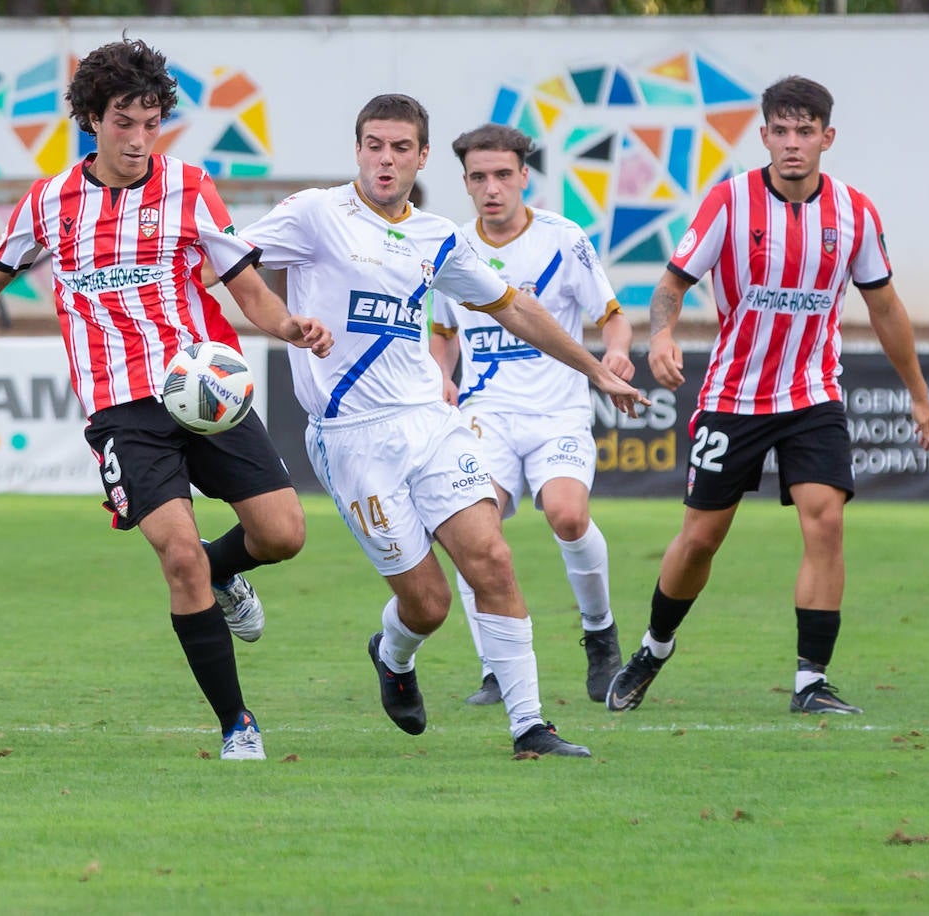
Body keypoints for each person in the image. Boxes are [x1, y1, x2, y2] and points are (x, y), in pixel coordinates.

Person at [0, 39, 332, 761]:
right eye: (124, 121)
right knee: (178, 557)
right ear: (93, 118)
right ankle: (236, 725)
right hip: (121, 410)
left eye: (152, 122)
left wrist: (288, 326)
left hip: (205, 389)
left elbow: (244, 284)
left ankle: (225, 574)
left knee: (283, 534)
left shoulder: (189, 186)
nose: (139, 138)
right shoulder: (49, 200)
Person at [241, 94, 646, 760]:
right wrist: (282, 324)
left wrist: (595, 368)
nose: (386, 158)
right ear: (359, 149)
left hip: (431, 423)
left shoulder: (438, 237)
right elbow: (231, 262)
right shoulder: (316, 213)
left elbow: (515, 307)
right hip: (352, 438)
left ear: (422, 156)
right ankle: (393, 654)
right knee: (428, 604)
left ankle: (530, 727)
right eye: (374, 144)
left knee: (493, 558)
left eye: (401, 147)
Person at [606, 76, 929, 716]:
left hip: (813, 395)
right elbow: (672, 285)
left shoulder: (855, 213)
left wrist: (919, 395)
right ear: (763, 136)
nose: (792, 144)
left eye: (805, 132)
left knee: (827, 521)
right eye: (781, 132)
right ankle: (655, 646)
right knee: (701, 539)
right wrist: (662, 334)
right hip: (733, 397)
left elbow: (887, 308)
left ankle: (810, 682)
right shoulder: (727, 202)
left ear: (827, 137)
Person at [429, 123, 630, 706]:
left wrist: (614, 351)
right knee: (473, 531)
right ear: (465, 182)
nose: (491, 188)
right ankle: (497, 665)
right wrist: (441, 372)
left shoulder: (563, 239)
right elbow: (442, 335)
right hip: (485, 412)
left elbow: (612, 316)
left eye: (502, 175)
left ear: (523, 177)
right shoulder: (451, 248)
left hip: (557, 412)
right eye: (478, 177)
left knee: (567, 517)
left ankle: (599, 633)